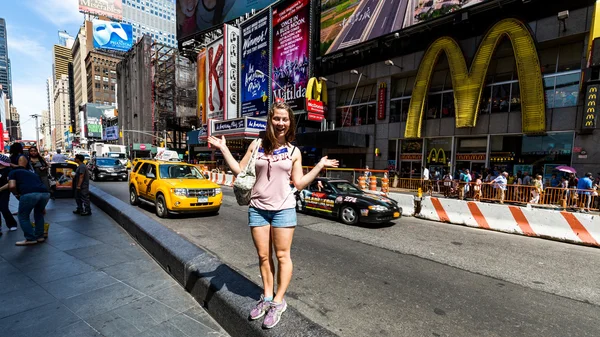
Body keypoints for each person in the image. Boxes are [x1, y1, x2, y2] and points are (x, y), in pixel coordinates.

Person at [207, 102, 339, 329]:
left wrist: (318, 166)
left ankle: (279, 301)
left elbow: (298, 183)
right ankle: (267, 296)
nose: (280, 123)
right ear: (270, 120)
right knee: (263, 256)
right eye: (277, 118)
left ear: (290, 123)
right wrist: (224, 149)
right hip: (258, 208)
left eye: (285, 119)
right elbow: (240, 171)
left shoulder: (293, 151)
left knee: (282, 256)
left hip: (284, 209)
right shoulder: (257, 144)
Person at [8, 155, 51, 246]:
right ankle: (40, 236)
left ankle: (30, 238)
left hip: (29, 194)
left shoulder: (13, 172)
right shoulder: (32, 173)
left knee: (23, 216)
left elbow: (11, 186)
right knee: (39, 214)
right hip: (45, 193)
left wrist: (16, 194)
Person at [0, 154, 17, 233]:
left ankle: (12, 224)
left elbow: (9, 183)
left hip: (4, 191)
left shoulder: (8, 170)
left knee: (4, 208)